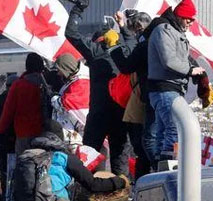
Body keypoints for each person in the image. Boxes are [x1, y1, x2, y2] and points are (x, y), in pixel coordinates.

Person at [65, 2, 131, 176]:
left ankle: (85, 195)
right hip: (121, 114)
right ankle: (123, 197)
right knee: (120, 163)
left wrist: (78, 9)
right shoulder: (126, 51)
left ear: (96, 40)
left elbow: (71, 33)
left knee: (87, 159)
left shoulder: (94, 51)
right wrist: (124, 28)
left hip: (99, 113)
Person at [148, 0, 204, 161]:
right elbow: (169, 60)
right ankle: (169, 165)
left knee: (163, 131)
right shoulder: (164, 31)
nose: (191, 22)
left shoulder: (172, 32)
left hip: (167, 89)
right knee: (176, 127)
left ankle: (159, 167)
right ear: (180, 16)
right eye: (188, 18)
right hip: (165, 89)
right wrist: (190, 70)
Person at [109, 10, 155, 177]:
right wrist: (122, 25)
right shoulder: (155, 43)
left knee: (143, 148)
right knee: (146, 147)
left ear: (139, 28)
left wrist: (113, 47)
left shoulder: (143, 46)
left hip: (138, 104)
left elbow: (127, 64)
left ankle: (142, 182)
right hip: (145, 102)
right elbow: (132, 44)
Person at [0, 53, 49, 155]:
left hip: (23, 133)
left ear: (27, 66)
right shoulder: (46, 84)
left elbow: (8, 110)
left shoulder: (18, 85)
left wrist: (1, 130)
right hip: (45, 132)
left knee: (24, 163)